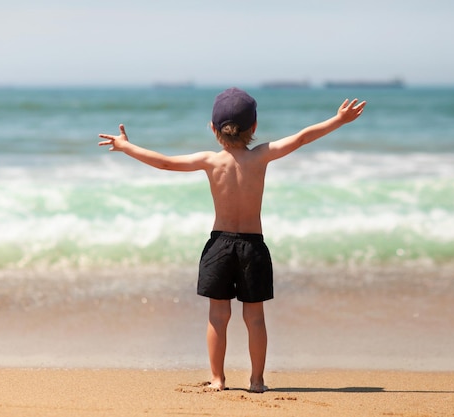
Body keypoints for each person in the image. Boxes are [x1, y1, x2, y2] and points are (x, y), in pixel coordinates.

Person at [98, 87, 366, 393]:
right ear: (253, 127)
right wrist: (339, 120)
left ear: (213, 128)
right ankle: (257, 381)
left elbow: (165, 163)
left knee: (218, 315)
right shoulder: (262, 155)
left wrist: (126, 146)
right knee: (255, 317)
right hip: (253, 247)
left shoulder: (210, 161)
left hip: (220, 246)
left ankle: (218, 379)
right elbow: (303, 137)